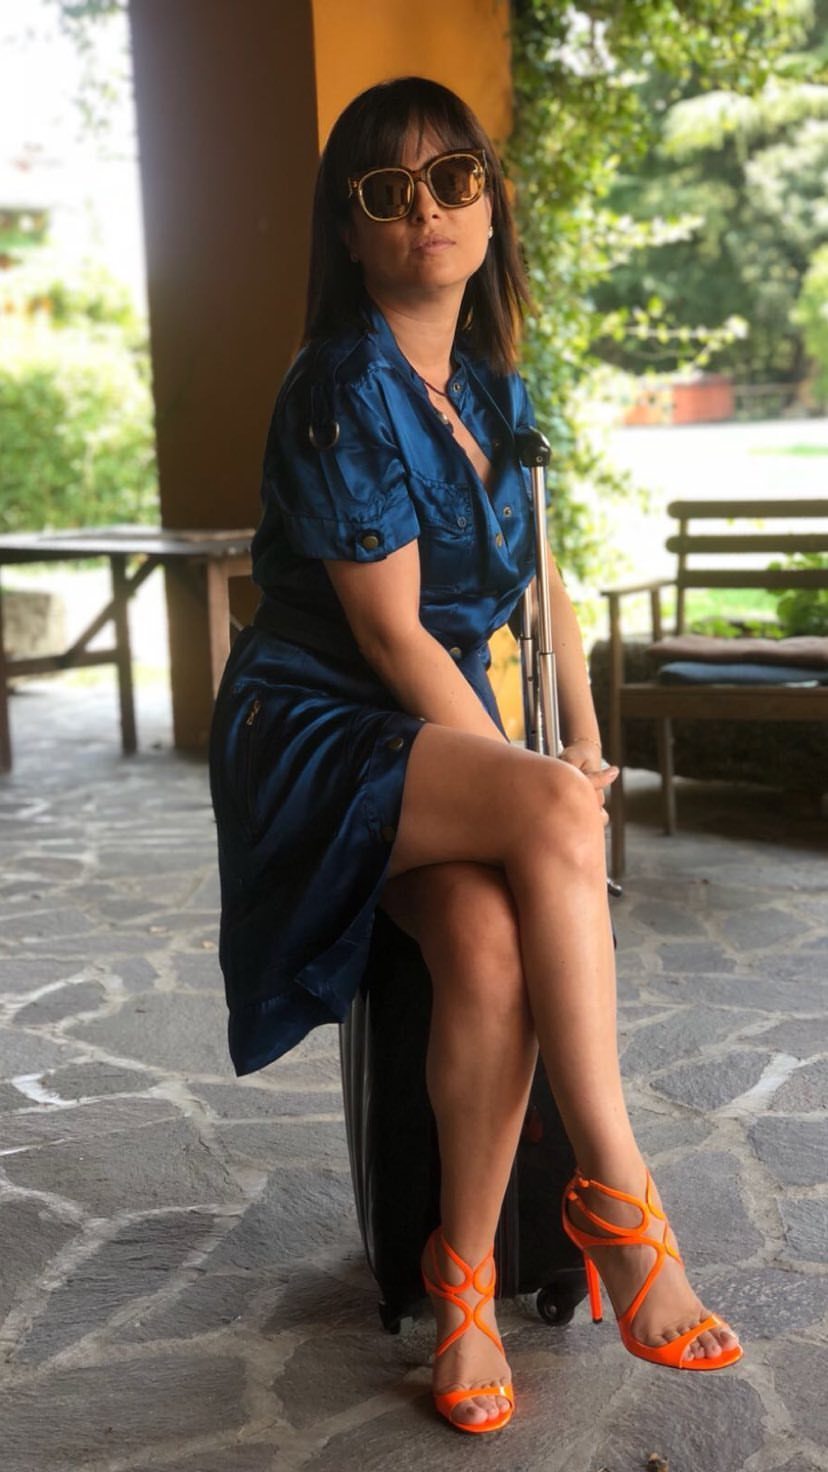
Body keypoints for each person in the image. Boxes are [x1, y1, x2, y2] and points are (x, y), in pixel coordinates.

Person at [209, 75, 742, 1437]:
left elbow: (540, 586)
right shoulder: (340, 388)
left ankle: (462, 1291)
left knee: (495, 949)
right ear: (349, 231)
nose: (428, 211)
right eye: (388, 192)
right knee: (549, 820)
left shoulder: (497, 385)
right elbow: (393, 638)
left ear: (493, 208)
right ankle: (622, 1199)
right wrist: (529, 785)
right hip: (319, 733)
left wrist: (587, 738)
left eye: (454, 180)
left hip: (426, 741)